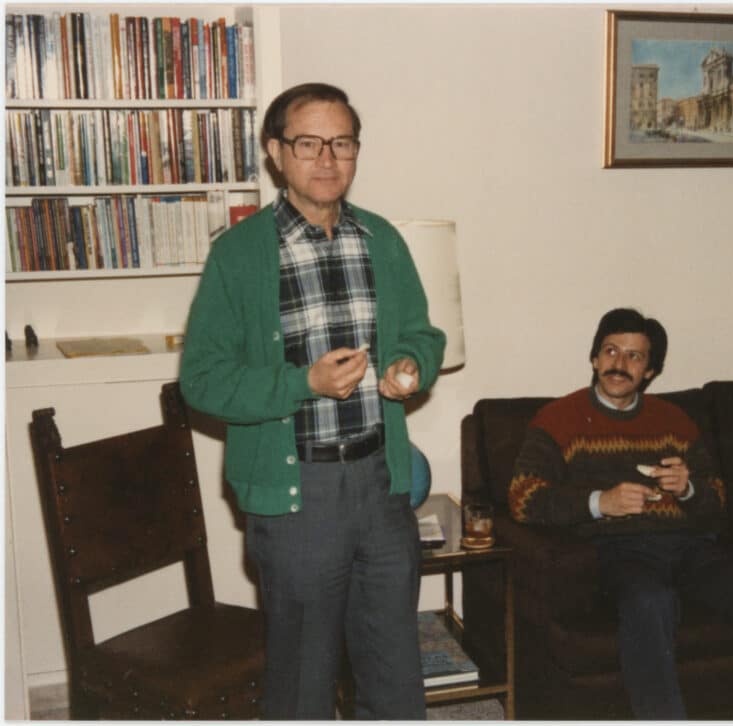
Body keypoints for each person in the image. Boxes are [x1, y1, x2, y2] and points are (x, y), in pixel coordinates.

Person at [180, 82, 445, 720]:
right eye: (308, 143)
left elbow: (423, 334)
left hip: (382, 485)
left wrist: (411, 365)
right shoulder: (238, 255)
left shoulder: (382, 238)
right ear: (276, 153)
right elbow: (202, 380)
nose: (327, 159)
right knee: (302, 684)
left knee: (395, 674)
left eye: (342, 143)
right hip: (297, 496)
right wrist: (304, 384)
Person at [508, 307, 733, 720]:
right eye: (611, 351)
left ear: (650, 371)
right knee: (650, 601)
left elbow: (717, 502)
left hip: (692, 548)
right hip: (617, 552)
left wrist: (689, 489)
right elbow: (522, 497)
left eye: (634, 356)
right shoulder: (557, 419)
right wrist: (599, 502)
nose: (619, 364)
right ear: (594, 358)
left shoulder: (674, 420)